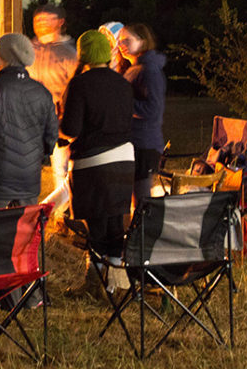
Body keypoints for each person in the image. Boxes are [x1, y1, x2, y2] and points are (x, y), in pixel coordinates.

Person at [60, 30, 134, 297]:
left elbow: (71, 128)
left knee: (96, 226)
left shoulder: (80, 85)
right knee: (116, 222)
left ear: (84, 55)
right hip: (125, 160)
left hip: (94, 163)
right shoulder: (123, 84)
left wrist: (58, 126)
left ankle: (93, 284)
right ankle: (114, 282)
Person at [0, 33, 57, 209]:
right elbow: (50, 137)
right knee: (23, 229)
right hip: (28, 176)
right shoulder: (42, 91)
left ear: (4, 56)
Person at [26, 4, 79, 211]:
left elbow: (75, 87)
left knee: (61, 168)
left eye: (48, 19)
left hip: (59, 120)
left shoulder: (68, 53)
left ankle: (59, 214)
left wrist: (67, 115)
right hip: (31, 119)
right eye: (38, 20)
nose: (42, 24)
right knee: (28, 166)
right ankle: (26, 210)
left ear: (60, 22)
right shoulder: (30, 49)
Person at [116, 23, 167, 206]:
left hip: (144, 144)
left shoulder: (149, 70)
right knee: (131, 198)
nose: (122, 44)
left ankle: (144, 233)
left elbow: (153, 110)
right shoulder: (133, 68)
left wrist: (123, 104)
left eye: (128, 40)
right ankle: (132, 232)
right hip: (133, 142)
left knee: (141, 200)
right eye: (120, 40)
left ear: (143, 41)